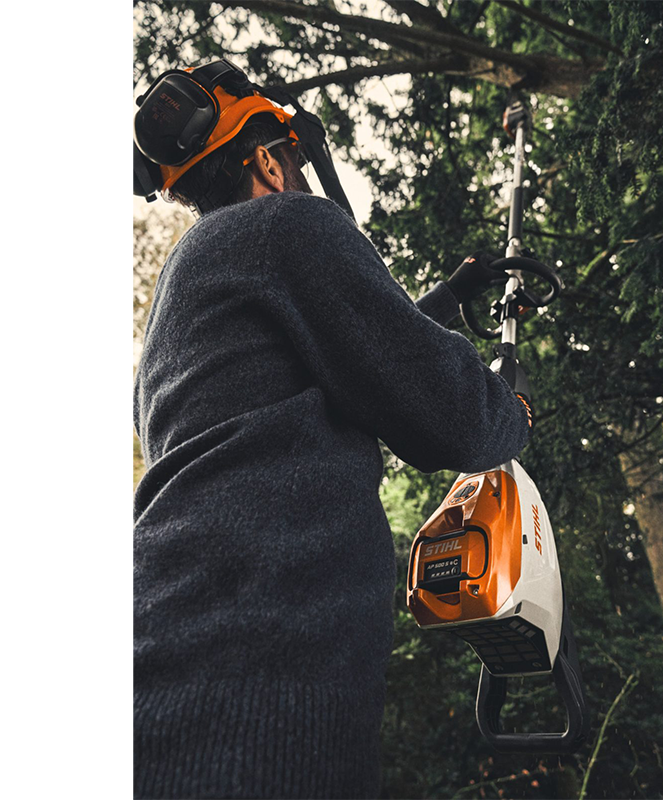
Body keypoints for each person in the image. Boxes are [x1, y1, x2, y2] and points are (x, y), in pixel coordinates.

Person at [133, 69, 531, 800]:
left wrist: (448, 296)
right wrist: (513, 409)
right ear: (268, 160)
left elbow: (343, 363)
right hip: (263, 683)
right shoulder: (290, 225)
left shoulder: (182, 294)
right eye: (292, 157)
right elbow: (452, 415)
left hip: (168, 655)